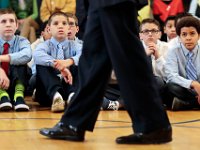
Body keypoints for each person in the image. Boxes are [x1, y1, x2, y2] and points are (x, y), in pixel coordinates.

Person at [39, 0, 172, 144]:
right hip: (99, 3)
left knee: (128, 58)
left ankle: (153, 125)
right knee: (92, 60)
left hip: (114, 2)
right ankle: (74, 123)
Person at [33, 11, 82, 112]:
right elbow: (37, 55)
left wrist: (69, 62)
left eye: (64, 23)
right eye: (56, 23)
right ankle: (56, 96)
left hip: (69, 88)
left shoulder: (76, 45)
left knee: (77, 62)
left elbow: (85, 55)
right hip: (47, 95)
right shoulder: (44, 45)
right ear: (49, 29)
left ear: (69, 28)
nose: (60, 26)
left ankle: (73, 96)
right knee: (42, 63)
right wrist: (60, 66)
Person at [164, 16, 200, 111]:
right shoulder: (173, 51)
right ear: (179, 37)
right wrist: (193, 84)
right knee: (170, 86)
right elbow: (171, 75)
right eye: (184, 34)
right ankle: (195, 103)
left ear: (199, 35)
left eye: (192, 34)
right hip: (184, 88)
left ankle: (186, 104)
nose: (188, 38)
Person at [0, 8, 31, 111]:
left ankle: (19, 97)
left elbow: (27, 55)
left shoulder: (22, 41)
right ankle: (3, 96)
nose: (8, 24)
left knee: (20, 61)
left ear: (17, 25)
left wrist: (2, 58)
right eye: (3, 21)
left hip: (18, 82)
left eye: (11, 21)